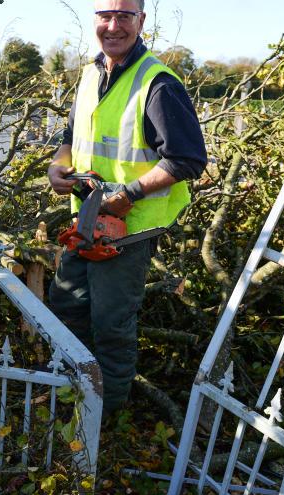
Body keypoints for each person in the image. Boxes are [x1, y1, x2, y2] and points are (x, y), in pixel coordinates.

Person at [48, 0, 207, 413]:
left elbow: (187, 159)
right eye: (105, 15)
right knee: (66, 306)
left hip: (129, 227)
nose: (113, 25)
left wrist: (129, 195)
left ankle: (106, 419)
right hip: (86, 219)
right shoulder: (89, 73)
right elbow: (71, 135)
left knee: (109, 324)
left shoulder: (158, 83)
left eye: (124, 15)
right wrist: (57, 166)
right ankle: (70, 401)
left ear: (141, 20)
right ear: (95, 19)